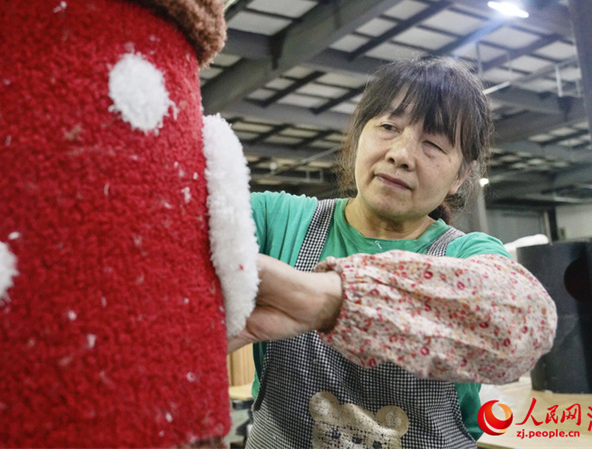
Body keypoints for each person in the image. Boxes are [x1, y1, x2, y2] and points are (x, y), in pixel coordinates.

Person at [227, 56, 557, 449]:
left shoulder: (465, 254)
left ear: (460, 177)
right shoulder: (276, 221)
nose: (401, 154)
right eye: (388, 127)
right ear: (359, 136)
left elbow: (526, 323)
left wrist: (331, 299)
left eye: (433, 144)